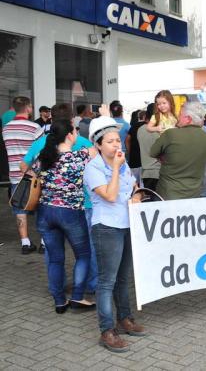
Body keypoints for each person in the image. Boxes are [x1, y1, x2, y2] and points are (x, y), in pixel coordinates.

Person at [22, 103, 100, 291]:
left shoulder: (42, 143)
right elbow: (98, 162)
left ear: (52, 119)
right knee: (87, 250)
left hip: (48, 207)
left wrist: (41, 181)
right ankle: (89, 286)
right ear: (72, 120)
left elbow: (24, 166)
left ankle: (57, 289)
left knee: (54, 254)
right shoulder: (82, 143)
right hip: (83, 204)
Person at [84, 116, 144, 353]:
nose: (117, 145)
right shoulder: (93, 168)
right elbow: (109, 195)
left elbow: (134, 187)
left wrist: (137, 197)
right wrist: (117, 168)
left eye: (117, 140)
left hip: (126, 223)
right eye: (110, 142)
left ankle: (125, 319)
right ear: (98, 145)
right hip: (106, 227)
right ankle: (106, 330)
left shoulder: (123, 163)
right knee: (107, 280)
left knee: (123, 276)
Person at [36, 119, 95, 314]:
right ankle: (77, 297)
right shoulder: (79, 157)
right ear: (70, 135)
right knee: (83, 255)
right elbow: (97, 149)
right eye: (75, 130)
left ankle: (59, 301)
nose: (77, 133)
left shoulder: (43, 157)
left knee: (55, 259)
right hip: (70, 213)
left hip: (45, 212)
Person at [150, 102, 206, 200]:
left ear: (188, 119)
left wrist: (164, 157)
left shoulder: (170, 134)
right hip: (194, 194)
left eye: (180, 115)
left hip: (168, 194)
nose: (177, 118)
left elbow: (152, 152)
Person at [3, 96, 44, 253]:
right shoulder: (35, 128)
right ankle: (43, 243)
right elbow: (41, 153)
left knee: (20, 209)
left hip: (15, 175)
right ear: (28, 108)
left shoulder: (6, 129)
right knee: (40, 208)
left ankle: (25, 243)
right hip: (34, 176)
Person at [137, 104, 161, 191]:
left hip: (146, 173)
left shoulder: (140, 130)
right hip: (160, 172)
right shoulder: (161, 130)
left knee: (151, 201)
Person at [125, 110, 145, 186]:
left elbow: (127, 140)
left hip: (134, 159)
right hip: (144, 160)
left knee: (133, 183)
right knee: (143, 184)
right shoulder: (148, 127)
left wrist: (130, 151)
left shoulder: (133, 126)